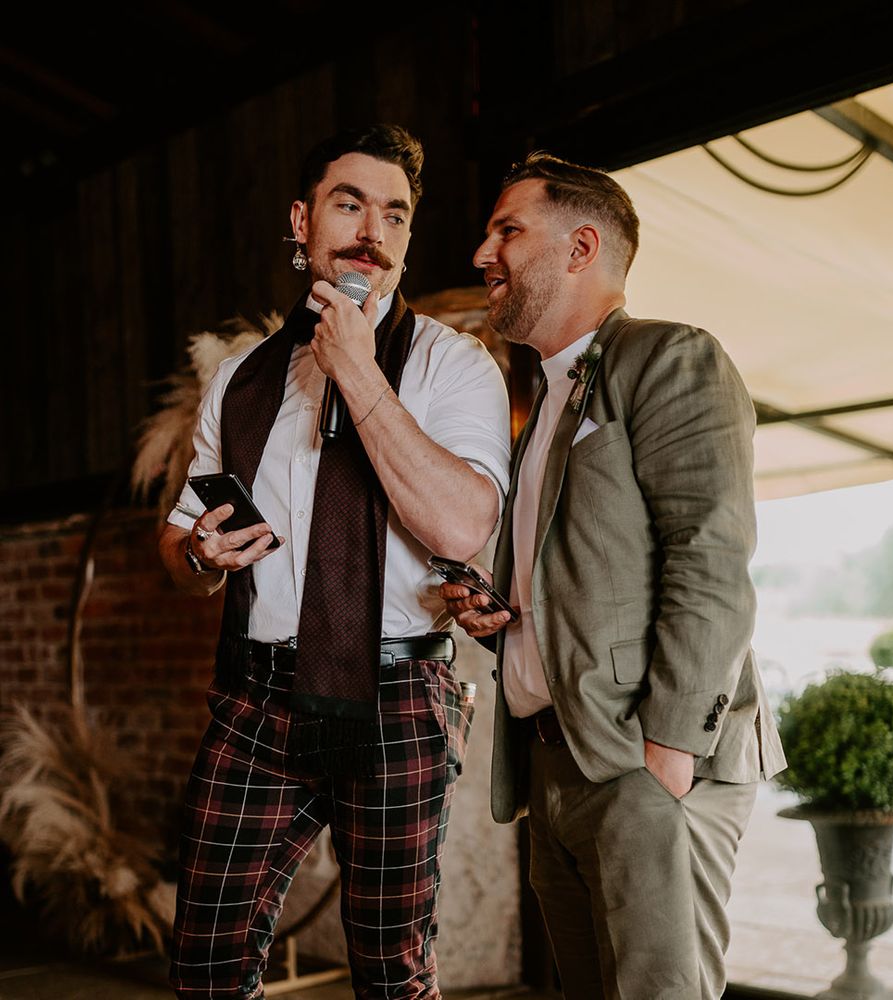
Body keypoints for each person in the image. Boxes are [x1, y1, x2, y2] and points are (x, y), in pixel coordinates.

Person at [159, 124, 510, 1000]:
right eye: (349, 204)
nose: (371, 232)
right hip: (256, 698)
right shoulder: (240, 378)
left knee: (391, 976)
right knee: (204, 961)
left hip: (395, 697)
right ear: (301, 220)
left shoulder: (453, 365)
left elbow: (462, 525)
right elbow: (178, 539)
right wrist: (200, 556)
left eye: (395, 215)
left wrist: (358, 371)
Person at [442, 153, 786, 1000]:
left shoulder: (670, 358)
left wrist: (666, 750)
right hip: (554, 768)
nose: (485, 252)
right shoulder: (544, 403)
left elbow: (712, 558)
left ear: (581, 246)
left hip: (645, 762)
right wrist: (502, 610)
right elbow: (585, 573)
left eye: (508, 230)